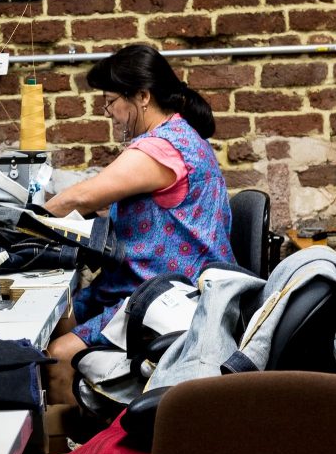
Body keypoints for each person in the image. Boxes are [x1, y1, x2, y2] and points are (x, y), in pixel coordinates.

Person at [44, 44, 235, 405]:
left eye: (112, 102)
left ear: (142, 96)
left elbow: (81, 197)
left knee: (57, 355)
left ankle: (81, 452)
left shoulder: (161, 147)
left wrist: (19, 226)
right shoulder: (179, 136)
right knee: (60, 316)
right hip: (150, 281)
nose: (110, 113)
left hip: (169, 294)